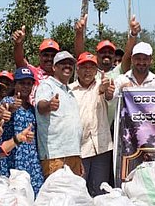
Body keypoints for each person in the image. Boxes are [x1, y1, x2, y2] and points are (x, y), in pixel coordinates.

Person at [71, 52, 116, 195]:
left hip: (102, 148)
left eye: (91, 67)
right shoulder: (70, 90)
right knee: (79, 192)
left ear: (96, 71)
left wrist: (107, 91)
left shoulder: (101, 86)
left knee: (100, 192)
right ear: (77, 69)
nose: (88, 71)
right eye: (84, 67)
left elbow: (108, 95)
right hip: (79, 149)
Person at [34, 51, 84, 178]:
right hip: (55, 155)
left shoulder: (70, 92)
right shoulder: (47, 85)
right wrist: (49, 105)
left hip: (73, 153)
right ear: (54, 67)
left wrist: (77, 155)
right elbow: (40, 106)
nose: (67, 66)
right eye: (63, 63)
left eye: (70, 64)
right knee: (55, 196)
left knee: (74, 195)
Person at [0, 67, 45, 193]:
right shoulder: (7, 101)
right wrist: (11, 108)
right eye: (22, 83)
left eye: (29, 83)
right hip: (13, 158)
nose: (25, 87)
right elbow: (2, 111)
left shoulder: (32, 109)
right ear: (15, 84)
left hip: (31, 159)